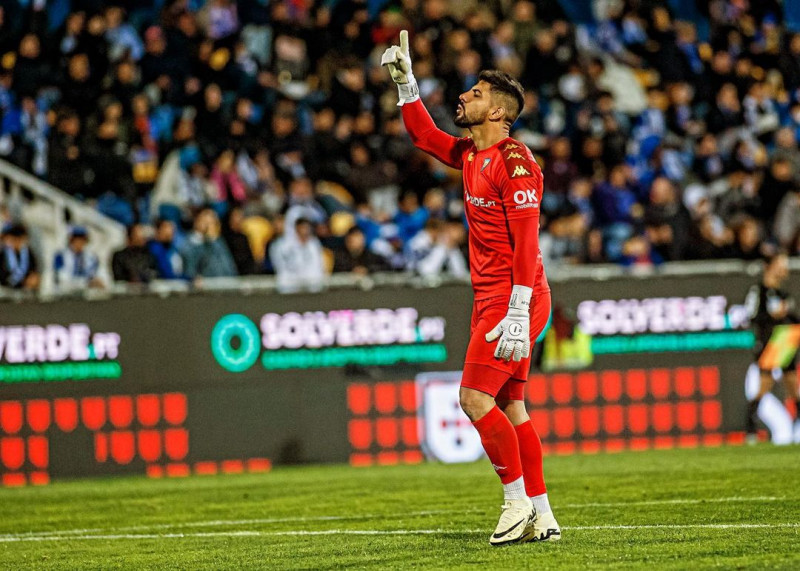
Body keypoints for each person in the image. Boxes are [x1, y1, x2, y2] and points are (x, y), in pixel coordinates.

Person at [383, 31, 558, 545]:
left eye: (476, 94)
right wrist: (406, 85)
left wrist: (520, 310)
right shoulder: (469, 155)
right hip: (495, 299)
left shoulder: (516, 161)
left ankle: (516, 503)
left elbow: (528, 242)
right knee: (512, 408)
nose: (464, 95)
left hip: (515, 298)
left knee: (473, 398)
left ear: (500, 113)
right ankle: (543, 514)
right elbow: (423, 137)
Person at [745, 252, 800, 440]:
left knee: (792, 386)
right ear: (770, 266)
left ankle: (798, 427)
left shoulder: (785, 295)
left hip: (785, 340)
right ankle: (750, 428)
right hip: (768, 342)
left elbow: (794, 319)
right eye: (781, 264)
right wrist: (771, 316)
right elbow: (751, 316)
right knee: (764, 385)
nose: (785, 268)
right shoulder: (759, 291)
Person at [53, 226, 104, 291]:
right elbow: (62, 279)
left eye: (83, 239)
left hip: (87, 294)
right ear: (71, 239)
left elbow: (96, 274)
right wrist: (86, 283)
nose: (80, 242)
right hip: (66, 294)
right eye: (77, 239)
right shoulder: (61, 256)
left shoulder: (92, 257)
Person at [0, 223, 39, 291]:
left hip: (26, 286)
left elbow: (33, 268)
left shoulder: (28, 252)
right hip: (8, 287)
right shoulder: (3, 253)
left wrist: (32, 277)